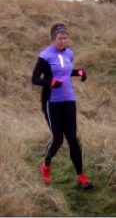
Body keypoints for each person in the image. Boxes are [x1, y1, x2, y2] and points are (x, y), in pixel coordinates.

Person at [32, 23, 93, 190]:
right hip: (51, 103)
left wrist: (79, 72)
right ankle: (46, 164)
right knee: (58, 139)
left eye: (65, 38)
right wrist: (50, 82)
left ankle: (81, 176)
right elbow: (35, 79)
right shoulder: (45, 56)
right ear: (53, 39)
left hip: (69, 100)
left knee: (73, 138)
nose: (63, 41)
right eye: (60, 38)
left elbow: (66, 72)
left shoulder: (69, 54)